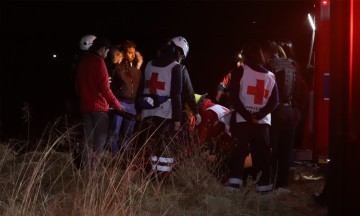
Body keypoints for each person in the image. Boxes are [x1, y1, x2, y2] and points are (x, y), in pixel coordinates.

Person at [226, 42, 279, 192]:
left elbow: (234, 97)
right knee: (262, 156)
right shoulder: (271, 76)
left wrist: (248, 116)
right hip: (262, 123)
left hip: (243, 121)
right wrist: (259, 115)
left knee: (239, 152)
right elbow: (275, 101)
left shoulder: (240, 71)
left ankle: (234, 186)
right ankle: (264, 189)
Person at [137, 36, 189, 182]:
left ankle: (147, 176)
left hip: (147, 111)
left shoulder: (148, 64)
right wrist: (177, 119)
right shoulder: (176, 67)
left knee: (149, 145)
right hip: (165, 114)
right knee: (165, 148)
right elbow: (176, 95)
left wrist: (139, 110)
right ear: (179, 52)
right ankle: (161, 180)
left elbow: (141, 90)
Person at [75, 37, 125, 171]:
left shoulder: (83, 62)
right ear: (102, 49)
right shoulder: (99, 63)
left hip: (85, 108)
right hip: (99, 109)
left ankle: (86, 172)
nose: (107, 54)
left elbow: (77, 88)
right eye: (107, 52)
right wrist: (117, 105)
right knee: (99, 142)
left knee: (87, 141)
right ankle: (93, 173)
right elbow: (105, 89)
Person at [261, 40, 301, 192]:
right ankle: (283, 185)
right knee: (286, 149)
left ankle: (269, 182)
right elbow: (299, 90)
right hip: (290, 111)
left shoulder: (267, 67)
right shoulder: (291, 65)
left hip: (275, 112)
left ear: (266, 53)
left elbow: (265, 92)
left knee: (272, 149)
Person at [107, 40, 143, 157]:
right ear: (123, 53)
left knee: (128, 133)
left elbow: (140, 88)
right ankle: (115, 156)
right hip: (119, 103)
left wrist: (139, 106)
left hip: (132, 105)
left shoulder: (136, 70)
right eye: (129, 52)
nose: (132, 55)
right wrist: (115, 61)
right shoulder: (117, 67)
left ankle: (126, 157)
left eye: (133, 52)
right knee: (115, 132)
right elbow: (109, 83)